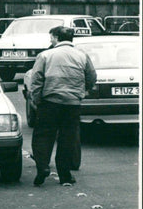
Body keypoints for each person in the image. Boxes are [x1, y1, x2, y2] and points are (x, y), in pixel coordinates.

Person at [28, 25, 96, 187]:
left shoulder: (46, 55)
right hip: (72, 104)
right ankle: (65, 175)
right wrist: (82, 92)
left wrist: (37, 99)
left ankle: (43, 166)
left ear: (57, 38)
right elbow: (91, 76)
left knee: (42, 136)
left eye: (51, 37)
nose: (50, 40)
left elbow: (36, 79)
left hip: (49, 103)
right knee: (67, 139)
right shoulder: (82, 56)